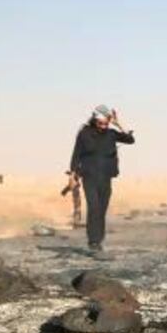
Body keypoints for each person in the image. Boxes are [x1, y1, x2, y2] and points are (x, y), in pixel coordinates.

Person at [69, 105, 135, 252]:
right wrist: (73, 175)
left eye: (106, 123)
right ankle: (93, 241)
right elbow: (76, 154)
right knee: (93, 207)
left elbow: (130, 140)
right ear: (94, 120)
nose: (104, 126)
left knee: (102, 209)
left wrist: (118, 124)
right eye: (101, 123)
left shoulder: (111, 134)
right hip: (89, 177)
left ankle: (99, 239)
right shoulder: (84, 133)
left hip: (106, 177)